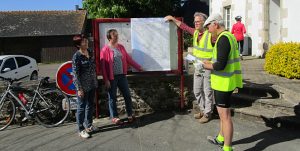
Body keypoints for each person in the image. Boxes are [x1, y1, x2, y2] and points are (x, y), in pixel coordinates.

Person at [202, 14, 243, 151]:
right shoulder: (229, 36)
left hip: (223, 83)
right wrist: (210, 62)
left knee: (225, 117)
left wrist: (204, 65)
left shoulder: (223, 39)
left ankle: (227, 148)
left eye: (208, 26)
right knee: (222, 114)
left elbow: (220, 65)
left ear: (215, 24)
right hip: (227, 81)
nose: (208, 30)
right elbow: (221, 60)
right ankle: (221, 138)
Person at [165, 12, 214, 123]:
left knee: (207, 91)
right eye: (195, 21)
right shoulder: (196, 33)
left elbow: (219, 45)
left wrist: (213, 62)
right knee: (197, 91)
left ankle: (207, 113)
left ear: (204, 22)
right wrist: (172, 18)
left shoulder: (210, 34)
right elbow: (184, 26)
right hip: (198, 66)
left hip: (207, 67)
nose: (195, 23)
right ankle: (203, 109)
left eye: (198, 21)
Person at [100, 29, 143, 125]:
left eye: (117, 34)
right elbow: (103, 67)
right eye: (114, 35)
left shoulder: (121, 47)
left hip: (122, 76)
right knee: (112, 98)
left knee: (127, 95)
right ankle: (114, 117)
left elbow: (128, 59)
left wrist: (139, 67)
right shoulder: (105, 50)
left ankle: (130, 114)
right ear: (109, 37)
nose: (117, 36)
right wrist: (106, 80)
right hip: (112, 78)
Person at [72, 34, 99, 139]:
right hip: (82, 87)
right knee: (81, 108)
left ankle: (89, 125)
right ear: (78, 45)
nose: (86, 42)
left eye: (86, 40)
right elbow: (75, 74)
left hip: (92, 84)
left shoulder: (90, 52)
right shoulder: (76, 57)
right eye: (83, 41)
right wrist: (79, 88)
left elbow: (93, 67)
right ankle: (80, 129)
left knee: (90, 105)